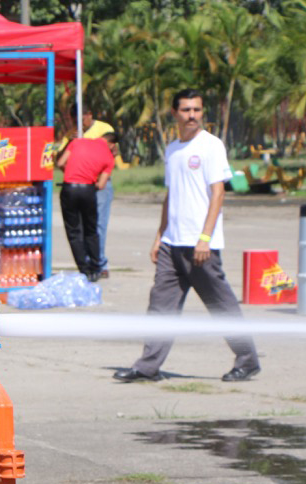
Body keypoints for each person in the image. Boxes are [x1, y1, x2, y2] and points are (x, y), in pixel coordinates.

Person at [114, 88, 260, 384]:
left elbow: (218, 193)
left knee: (222, 306)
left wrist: (205, 237)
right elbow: (172, 196)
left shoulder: (211, 146)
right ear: (175, 113)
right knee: (160, 307)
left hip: (200, 245)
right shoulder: (172, 149)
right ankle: (148, 367)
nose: (192, 115)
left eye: (197, 110)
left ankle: (248, 361)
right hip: (172, 244)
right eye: (186, 110)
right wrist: (159, 236)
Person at [55, 131, 115, 281]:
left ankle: (84, 269)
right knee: (91, 230)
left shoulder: (78, 142)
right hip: (88, 190)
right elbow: (101, 185)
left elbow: (60, 163)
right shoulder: (109, 157)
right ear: (112, 144)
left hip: (69, 188)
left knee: (73, 231)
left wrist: (70, 173)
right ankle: (96, 268)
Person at [81, 107, 118, 278]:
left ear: (89, 114)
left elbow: (113, 151)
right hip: (81, 184)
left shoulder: (104, 129)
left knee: (99, 225)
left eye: (81, 118)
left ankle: (100, 262)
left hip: (100, 184)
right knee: (84, 226)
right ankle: (88, 260)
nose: (79, 122)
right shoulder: (73, 132)